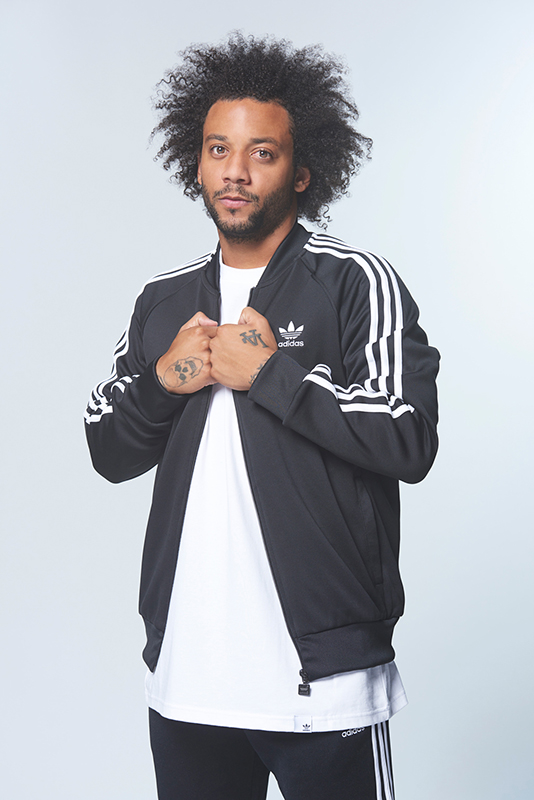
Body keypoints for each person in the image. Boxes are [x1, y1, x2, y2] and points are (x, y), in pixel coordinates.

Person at [85, 32, 439, 800]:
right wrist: (165, 380)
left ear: (302, 171)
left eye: (262, 153)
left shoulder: (354, 281)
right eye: (218, 149)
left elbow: (408, 433)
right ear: (196, 162)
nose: (235, 172)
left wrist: (274, 377)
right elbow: (107, 449)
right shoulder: (163, 300)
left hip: (321, 680)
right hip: (187, 678)